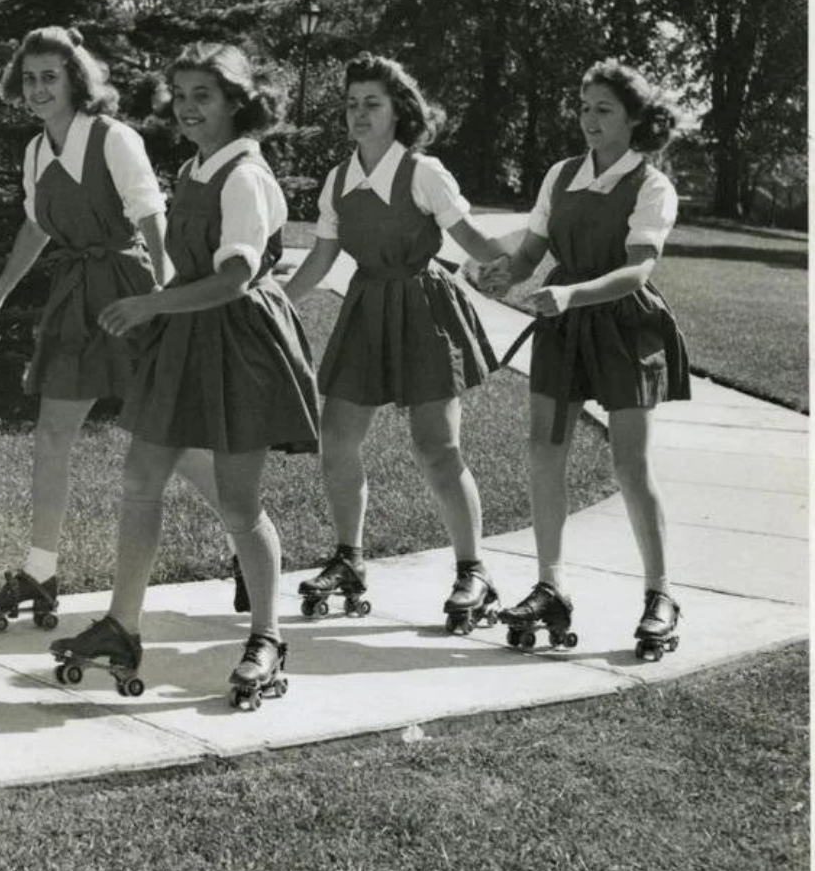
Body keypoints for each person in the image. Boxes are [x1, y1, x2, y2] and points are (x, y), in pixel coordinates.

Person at [49, 42, 319, 707]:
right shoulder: (197, 167)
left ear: (236, 102)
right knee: (141, 476)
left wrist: (150, 304)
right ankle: (123, 626)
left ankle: (267, 637)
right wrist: (159, 310)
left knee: (238, 500)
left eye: (205, 95)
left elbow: (234, 278)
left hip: (242, 344)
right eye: (182, 95)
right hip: (189, 336)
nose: (189, 108)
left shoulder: (245, 176)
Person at [0, 26, 227, 628]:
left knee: (169, 438)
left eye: (50, 77)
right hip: (74, 296)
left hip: (130, 292)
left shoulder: (113, 137)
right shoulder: (36, 151)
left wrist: (163, 298)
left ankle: (248, 539)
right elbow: (36, 226)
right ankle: (40, 573)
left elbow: (152, 216)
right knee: (52, 433)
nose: (38, 89)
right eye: (29, 78)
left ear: (76, 81)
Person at [282, 52, 508, 634]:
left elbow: (474, 241)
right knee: (336, 438)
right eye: (352, 104)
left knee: (437, 448)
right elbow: (322, 259)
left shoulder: (424, 172)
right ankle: (349, 560)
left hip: (424, 310)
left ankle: (474, 571)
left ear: (397, 111)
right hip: (366, 308)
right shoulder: (339, 180)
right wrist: (275, 302)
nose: (359, 114)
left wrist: (531, 266)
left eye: (372, 104)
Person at [479, 57, 690, 660]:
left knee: (630, 465)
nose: (589, 119)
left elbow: (637, 271)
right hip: (564, 325)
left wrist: (572, 294)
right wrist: (505, 274)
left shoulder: (652, 185)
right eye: (583, 107)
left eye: (604, 110)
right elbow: (531, 253)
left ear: (634, 120)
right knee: (543, 450)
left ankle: (660, 595)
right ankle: (551, 587)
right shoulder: (561, 174)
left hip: (625, 324)